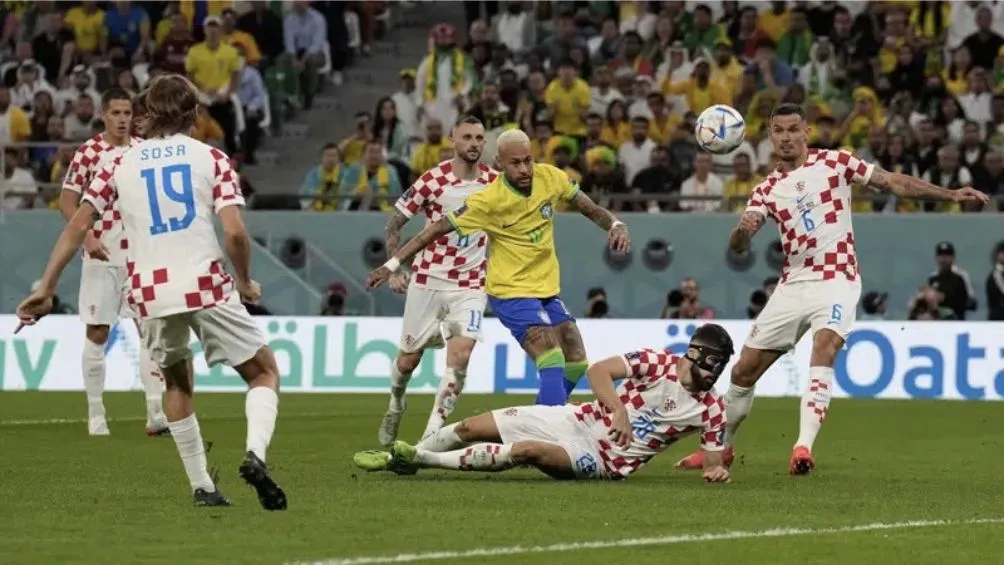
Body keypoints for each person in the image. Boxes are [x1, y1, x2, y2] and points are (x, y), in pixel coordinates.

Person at [15, 74, 288, 510]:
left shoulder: (117, 163)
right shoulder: (211, 157)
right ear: (192, 113)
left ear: (146, 112)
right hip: (205, 284)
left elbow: (77, 225)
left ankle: (202, 487)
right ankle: (255, 454)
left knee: (177, 383)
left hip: (149, 292)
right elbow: (234, 231)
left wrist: (46, 287)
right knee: (262, 373)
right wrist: (243, 279)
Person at [676, 103, 989, 476]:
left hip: (837, 278)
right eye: (779, 130)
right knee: (743, 372)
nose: (787, 137)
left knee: (825, 346)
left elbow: (892, 181)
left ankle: (802, 448)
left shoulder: (837, 162)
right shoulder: (765, 190)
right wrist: (742, 232)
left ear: (807, 131)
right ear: (770, 136)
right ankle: (722, 448)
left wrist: (951, 195)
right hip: (793, 285)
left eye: (794, 129)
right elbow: (740, 244)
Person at [365, 129, 631, 406]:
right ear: (499, 164)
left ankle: (538, 421)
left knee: (576, 360)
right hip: (510, 292)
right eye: (515, 163)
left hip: (546, 289)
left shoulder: (551, 177)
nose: (525, 169)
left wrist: (615, 224)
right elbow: (434, 230)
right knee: (551, 359)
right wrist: (392, 264)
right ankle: (547, 435)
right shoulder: (488, 200)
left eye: (528, 160)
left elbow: (589, 208)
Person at [352, 323, 734, 483]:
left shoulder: (713, 409)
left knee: (528, 451)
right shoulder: (656, 362)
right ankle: (398, 459)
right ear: (695, 353)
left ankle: (421, 460)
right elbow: (599, 371)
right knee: (470, 428)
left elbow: (713, 462)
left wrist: (715, 472)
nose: (714, 374)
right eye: (713, 363)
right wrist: (618, 409)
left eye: (720, 367)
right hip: (574, 420)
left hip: (604, 461)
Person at [377, 116, 498, 446]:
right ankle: (395, 403)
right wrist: (396, 270)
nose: (474, 143)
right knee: (407, 360)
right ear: (452, 140)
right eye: (467, 137)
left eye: (479, 137)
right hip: (428, 280)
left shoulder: (495, 182)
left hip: (472, 285)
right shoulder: (432, 180)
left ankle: (431, 434)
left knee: (460, 358)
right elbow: (394, 224)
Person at [57, 87, 167, 437]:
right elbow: (66, 201)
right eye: (116, 113)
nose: (122, 119)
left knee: (150, 333)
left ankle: (155, 413)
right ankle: (96, 413)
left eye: (127, 113)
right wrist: (86, 235)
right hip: (101, 255)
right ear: (104, 114)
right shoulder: (89, 152)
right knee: (98, 331)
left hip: (139, 257)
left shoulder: (143, 151)